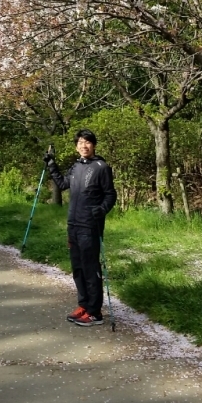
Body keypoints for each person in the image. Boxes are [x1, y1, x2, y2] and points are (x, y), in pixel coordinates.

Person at [44, 129, 116, 326]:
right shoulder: (76, 166)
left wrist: (101, 210)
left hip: (89, 225)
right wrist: (51, 165)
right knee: (77, 268)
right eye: (80, 143)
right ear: (76, 146)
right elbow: (63, 183)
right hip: (73, 224)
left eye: (87, 142)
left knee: (90, 268)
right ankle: (83, 305)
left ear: (93, 145)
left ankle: (95, 313)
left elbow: (110, 195)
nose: (84, 146)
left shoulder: (101, 167)